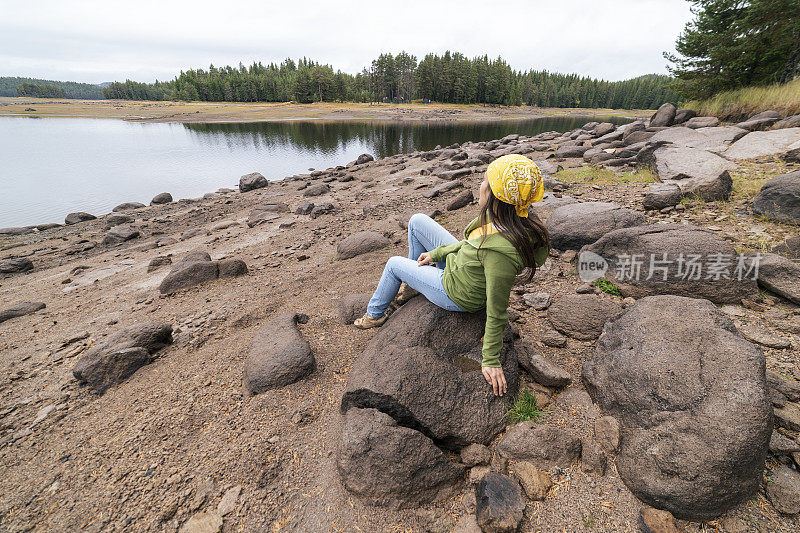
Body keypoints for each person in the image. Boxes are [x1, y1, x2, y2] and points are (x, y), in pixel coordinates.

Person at [354, 154, 550, 397]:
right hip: (461, 266)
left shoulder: (501, 252)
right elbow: (470, 244)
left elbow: (497, 308)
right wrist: (436, 253)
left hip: (457, 292)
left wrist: (490, 358)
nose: (480, 186)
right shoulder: (510, 216)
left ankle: (374, 315)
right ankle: (416, 281)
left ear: (496, 197)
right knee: (416, 221)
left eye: (485, 182)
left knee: (393, 264)